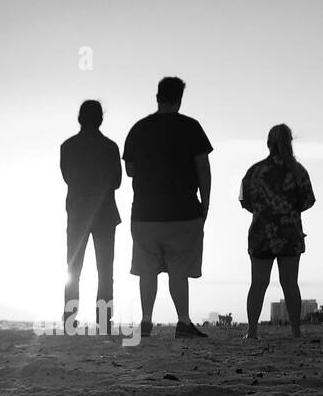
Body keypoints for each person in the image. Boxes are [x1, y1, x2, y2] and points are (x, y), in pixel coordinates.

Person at [122, 77, 213, 338]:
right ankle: (183, 321)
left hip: (144, 214)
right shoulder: (191, 127)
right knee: (178, 269)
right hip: (182, 212)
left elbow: (130, 170)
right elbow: (203, 171)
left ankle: (146, 321)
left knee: (146, 270)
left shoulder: (139, 128)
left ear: (157, 97)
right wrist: (205, 206)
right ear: (179, 99)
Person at [240, 124, 314, 338]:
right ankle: (296, 331)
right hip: (289, 233)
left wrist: (265, 211)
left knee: (258, 283)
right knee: (290, 283)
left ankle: (252, 331)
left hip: (262, 233)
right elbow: (308, 200)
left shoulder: (255, 171)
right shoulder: (298, 171)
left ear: (268, 144)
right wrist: (287, 210)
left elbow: (245, 201)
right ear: (289, 142)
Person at [59, 100, 122, 333]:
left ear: (79, 118)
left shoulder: (67, 146)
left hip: (77, 213)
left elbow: (67, 177)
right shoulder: (110, 147)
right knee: (105, 270)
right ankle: (104, 321)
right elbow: (116, 181)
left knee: (73, 268)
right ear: (101, 119)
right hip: (104, 213)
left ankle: (69, 319)